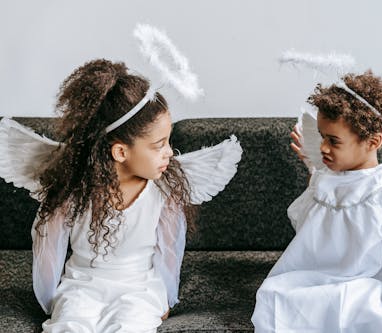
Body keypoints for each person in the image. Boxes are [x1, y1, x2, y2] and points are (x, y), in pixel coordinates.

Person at [0, 58, 241, 332]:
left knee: (130, 326)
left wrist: (166, 296)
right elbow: (48, 247)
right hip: (82, 286)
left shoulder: (165, 190)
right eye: (159, 145)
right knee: (70, 326)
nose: (169, 153)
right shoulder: (74, 191)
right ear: (120, 152)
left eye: (169, 142)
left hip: (138, 288)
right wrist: (50, 299)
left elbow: (170, 250)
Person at [251, 70, 382, 333]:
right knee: (274, 295)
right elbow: (312, 231)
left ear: (373, 142)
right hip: (313, 277)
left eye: (333, 141)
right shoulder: (324, 181)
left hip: (364, 282)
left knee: (372, 315)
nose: (322, 147)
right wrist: (314, 173)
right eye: (322, 136)